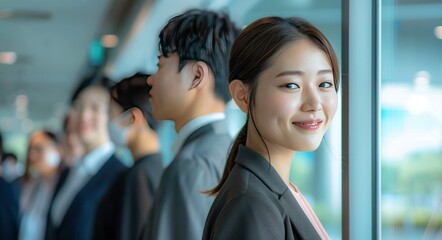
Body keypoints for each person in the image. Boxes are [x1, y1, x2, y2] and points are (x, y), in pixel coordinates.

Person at [202, 16, 340, 240]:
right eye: (291, 85)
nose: (314, 103)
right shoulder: (253, 205)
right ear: (242, 95)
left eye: (325, 84)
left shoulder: (273, 189)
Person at [145, 9, 240, 240]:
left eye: (160, 65)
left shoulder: (191, 165)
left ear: (197, 76)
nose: (150, 79)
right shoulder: (227, 149)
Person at [45, 81, 127, 240]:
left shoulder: (120, 176)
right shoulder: (69, 172)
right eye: (78, 106)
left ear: (110, 115)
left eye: (95, 108)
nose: (84, 116)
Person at [94, 73, 163, 240]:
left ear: (133, 118)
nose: (107, 121)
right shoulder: (158, 168)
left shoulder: (139, 176)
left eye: (111, 113)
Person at [19, 130, 62, 240]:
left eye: (38, 149)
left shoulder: (64, 187)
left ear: (57, 150)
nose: (31, 156)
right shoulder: (32, 185)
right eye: (30, 149)